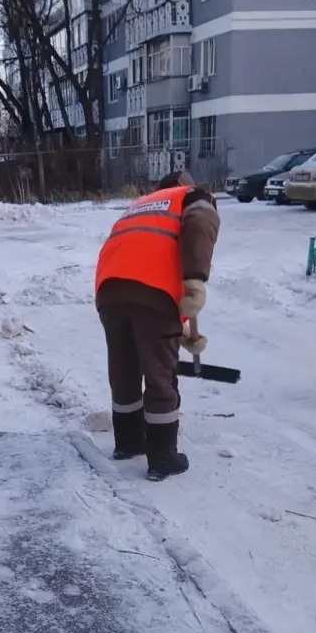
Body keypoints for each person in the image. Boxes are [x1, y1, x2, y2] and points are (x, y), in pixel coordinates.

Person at [94, 170, 220, 481]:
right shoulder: (192, 196)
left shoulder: (141, 204)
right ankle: (163, 458)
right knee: (160, 373)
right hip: (153, 292)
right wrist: (195, 279)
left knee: (124, 370)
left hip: (109, 289)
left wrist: (183, 332)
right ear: (183, 185)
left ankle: (127, 443)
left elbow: (149, 249)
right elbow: (200, 226)